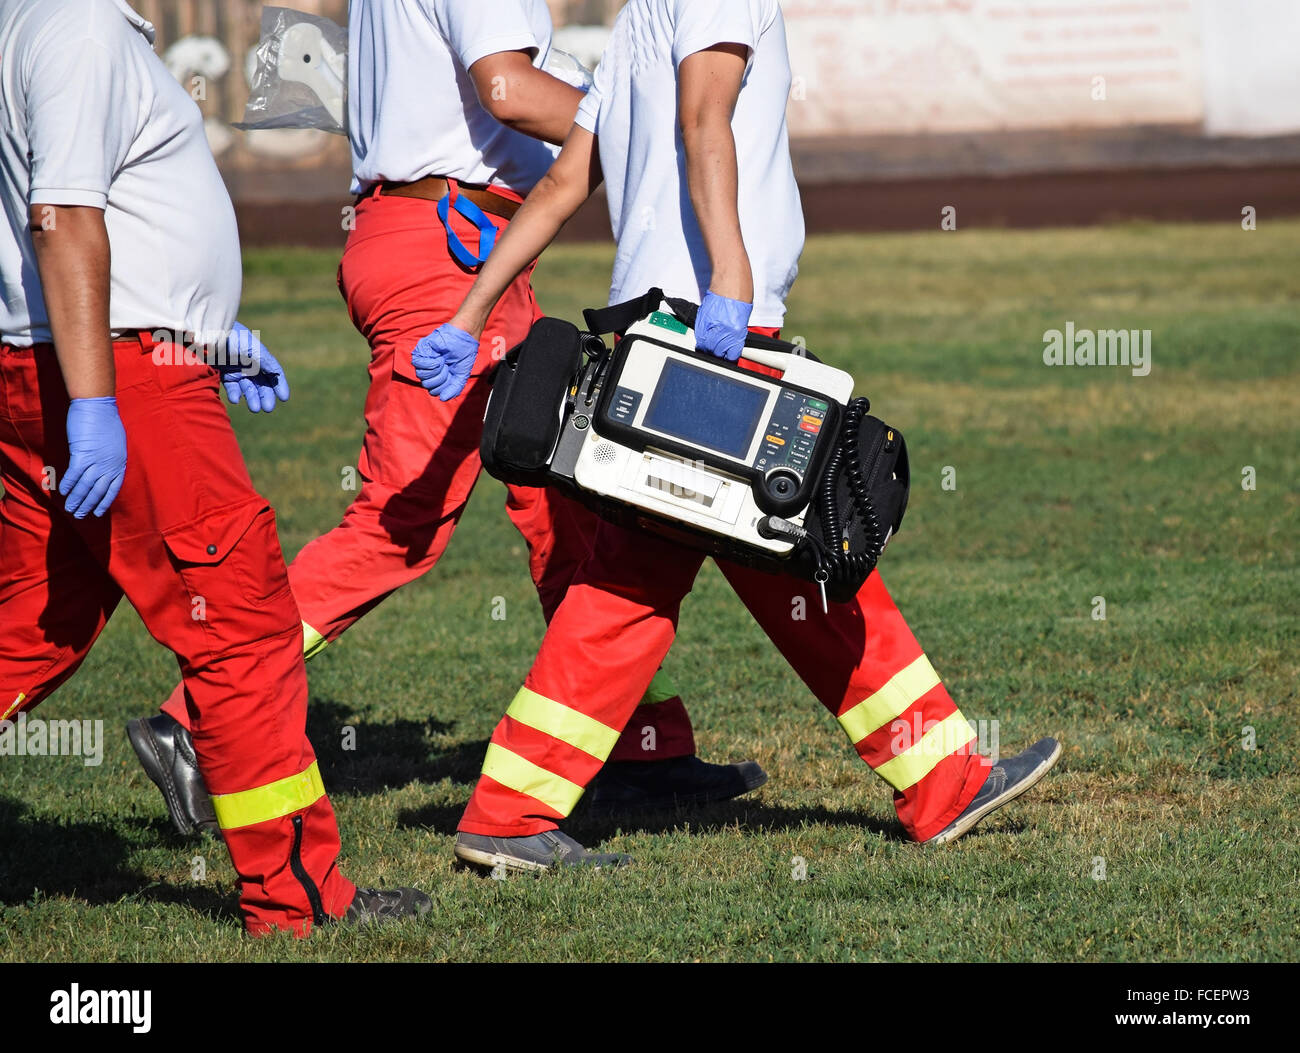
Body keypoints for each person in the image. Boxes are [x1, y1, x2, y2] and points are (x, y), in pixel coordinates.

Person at [413, 0, 1061, 871]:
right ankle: (941, 777)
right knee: (802, 538)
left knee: (685, 582)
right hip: (713, 335)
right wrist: (732, 277)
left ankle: (938, 775)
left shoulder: (639, 20)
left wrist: (469, 311)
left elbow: (568, 182)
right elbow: (702, 116)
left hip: (660, 336)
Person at [126, 0, 765, 845]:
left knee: (565, 504)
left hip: (437, 232)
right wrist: (636, 116)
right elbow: (506, 90)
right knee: (398, 523)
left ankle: (640, 747)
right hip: (448, 244)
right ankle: (199, 712)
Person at [0, 0, 430, 933]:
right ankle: (296, 899)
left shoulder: (34, 21)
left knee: (31, 626)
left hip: (75, 359)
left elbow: (100, 215)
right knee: (242, 629)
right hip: (114, 374)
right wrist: (103, 398)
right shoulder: (76, 26)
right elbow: (62, 216)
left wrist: (205, 334)